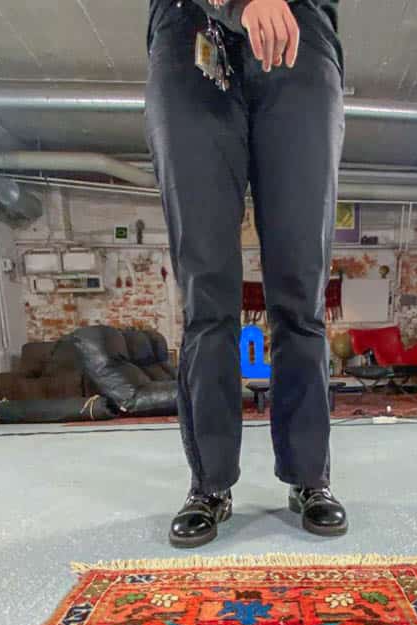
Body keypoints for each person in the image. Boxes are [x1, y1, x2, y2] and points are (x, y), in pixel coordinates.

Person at [146, 0, 347, 547]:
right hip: (189, 31)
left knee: (301, 289)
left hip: (299, 31)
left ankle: (309, 476)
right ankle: (209, 483)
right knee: (206, 289)